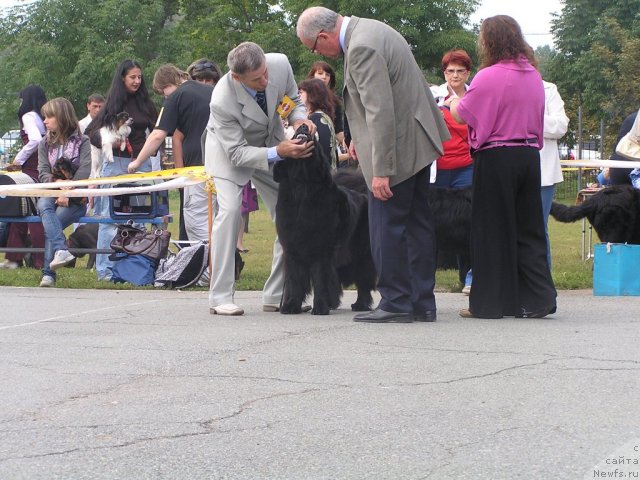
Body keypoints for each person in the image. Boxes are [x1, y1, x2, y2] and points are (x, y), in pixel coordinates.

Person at [297, 7, 450, 323]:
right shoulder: (372, 29)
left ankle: (396, 301)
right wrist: (361, 139)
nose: (318, 53)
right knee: (418, 224)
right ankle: (422, 302)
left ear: (323, 36)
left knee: (386, 226)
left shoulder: (361, 47)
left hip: (398, 151)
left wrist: (381, 170)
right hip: (417, 143)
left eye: (314, 48)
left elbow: (381, 111)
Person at [449, 15, 557, 319]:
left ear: (490, 40)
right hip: (528, 157)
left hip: (497, 157)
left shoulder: (488, 75)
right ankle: (539, 299)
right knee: (529, 230)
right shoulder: (532, 74)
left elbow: (464, 114)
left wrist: (456, 101)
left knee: (491, 230)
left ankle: (492, 303)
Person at [204, 41, 315, 316]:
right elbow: (238, 154)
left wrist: (300, 120)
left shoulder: (280, 63)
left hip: (273, 145)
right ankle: (220, 297)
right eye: (256, 79)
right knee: (229, 212)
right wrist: (279, 151)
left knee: (293, 213)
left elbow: (293, 101)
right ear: (236, 77)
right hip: (230, 153)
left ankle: (278, 294)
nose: (266, 80)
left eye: (265, 72)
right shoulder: (221, 99)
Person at [88, 59, 158, 281]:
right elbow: (91, 133)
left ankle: (135, 269)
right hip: (115, 164)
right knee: (110, 219)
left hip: (141, 164)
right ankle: (106, 272)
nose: (137, 81)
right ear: (122, 79)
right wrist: (111, 140)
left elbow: (158, 129)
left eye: (140, 77)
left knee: (140, 217)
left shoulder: (146, 104)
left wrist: (151, 150)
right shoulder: (111, 105)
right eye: (132, 77)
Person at [128, 64, 214, 243]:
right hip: (222, 166)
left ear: (165, 86)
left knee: (197, 226)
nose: (165, 98)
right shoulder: (209, 91)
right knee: (218, 220)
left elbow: (158, 135)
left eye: (163, 94)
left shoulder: (176, 97)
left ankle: (205, 267)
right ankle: (225, 266)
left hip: (197, 170)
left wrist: (137, 162)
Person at [431, 49, 474, 294]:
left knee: (468, 226)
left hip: (466, 168)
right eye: (450, 71)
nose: (455, 75)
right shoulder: (433, 96)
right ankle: (427, 279)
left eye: (460, 71)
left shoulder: (475, 97)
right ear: (444, 73)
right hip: (438, 169)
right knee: (432, 225)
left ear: (467, 73)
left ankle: (469, 277)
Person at [36, 98, 92, 287]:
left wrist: (67, 192)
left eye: (49, 116)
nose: (45, 121)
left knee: (54, 223)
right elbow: (42, 172)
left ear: (62, 117)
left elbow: (85, 170)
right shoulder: (44, 144)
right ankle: (61, 250)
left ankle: (48, 274)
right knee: (43, 204)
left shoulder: (83, 141)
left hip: (76, 198)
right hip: (51, 193)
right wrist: (59, 184)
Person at [0, 85, 47, 270]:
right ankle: (14, 257)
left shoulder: (28, 116)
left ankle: (37, 260)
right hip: (42, 167)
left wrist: (18, 160)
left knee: (29, 211)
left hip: (30, 170)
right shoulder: (43, 117)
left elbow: (35, 140)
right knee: (24, 209)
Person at [539, 80, 569, 269]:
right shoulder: (501, 85)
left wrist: (530, 116)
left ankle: (543, 280)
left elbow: (560, 127)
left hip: (543, 173)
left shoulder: (548, 89)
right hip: (508, 169)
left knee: (538, 228)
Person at [298, 78, 337, 168]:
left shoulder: (316, 119)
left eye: (301, 92)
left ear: (312, 94)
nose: (298, 96)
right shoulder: (323, 117)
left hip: (320, 176)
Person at [609, 110, 638, 185]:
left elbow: (618, 143)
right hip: (633, 161)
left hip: (617, 162)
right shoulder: (635, 118)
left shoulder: (631, 117)